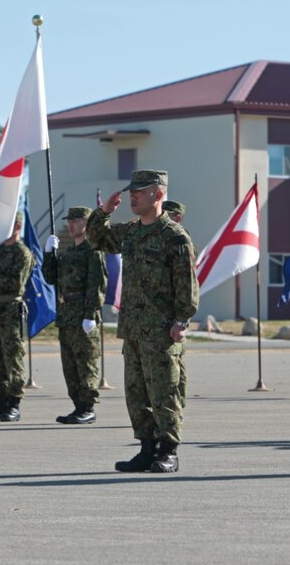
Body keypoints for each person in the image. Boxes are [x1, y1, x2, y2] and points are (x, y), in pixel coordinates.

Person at [87, 170, 199, 474]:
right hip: (134, 329)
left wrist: (181, 319)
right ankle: (146, 449)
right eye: (132, 191)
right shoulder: (132, 232)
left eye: (141, 191)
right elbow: (97, 239)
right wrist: (104, 212)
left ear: (158, 194)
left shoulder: (173, 236)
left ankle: (169, 451)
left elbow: (187, 283)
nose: (133, 196)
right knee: (137, 394)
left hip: (162, 331)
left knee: (164, 392)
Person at [44, 207, 107, 424]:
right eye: (69, 221)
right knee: (70, 365)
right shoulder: (69, 253)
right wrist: (48, 254)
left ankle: (88, 407)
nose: (71, 224)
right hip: (67, 315)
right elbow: (51, 278)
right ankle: (78, 406)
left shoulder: (94, 251)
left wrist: (90, 314)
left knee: (86, 363)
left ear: (87, 224)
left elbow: (96, 285)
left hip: (83, 314)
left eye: (76, 220)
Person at [0, 213, 33, 422]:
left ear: (17, 226)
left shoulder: (22, 253)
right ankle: (2, 401)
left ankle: (14, 403)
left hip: (11, 308)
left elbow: (16, 285)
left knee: (13, 357)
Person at [161, 200, 190, 410]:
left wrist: (182, 319)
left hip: (175, 312)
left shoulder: (181, 240)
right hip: (160, 314)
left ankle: (178, 403)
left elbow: (185, 283)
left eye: (169, 214)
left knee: (176, 365)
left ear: (178, 217)